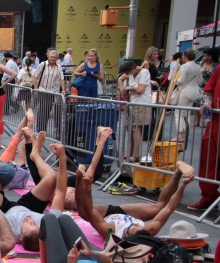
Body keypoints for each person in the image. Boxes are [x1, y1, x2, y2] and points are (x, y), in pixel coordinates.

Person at [75, 161, 195, 238]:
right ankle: (178, 172)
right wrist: (183, 185)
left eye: (131, 229)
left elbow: (89, 209)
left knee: (83, 212)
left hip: (106, 215)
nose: (134, 225)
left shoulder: (110, 230)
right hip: (127, 213)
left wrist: (87, 187)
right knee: (160, 207)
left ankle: (79, 176)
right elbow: (169, 208)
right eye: (138, 226)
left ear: (125, 235)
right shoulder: (149, 229)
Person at [192, 48, 220, 210]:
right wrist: (207, 102)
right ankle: (209, 196)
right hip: (216, 121)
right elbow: (209, 90)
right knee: (209, 157)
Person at [118, 60, 152, 163]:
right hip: (133, 103)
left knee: (136, 128)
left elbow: (141, 90)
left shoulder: (144, 72)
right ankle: (131, 152)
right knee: (130, 128)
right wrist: (122, 90)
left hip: (142, 103)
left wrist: (129, 88)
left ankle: (136, 154)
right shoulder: (131, 74)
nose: (127, 75)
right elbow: (121, 78)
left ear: (133, 69)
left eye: (128, 73)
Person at [175, 48, 203, 145]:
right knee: (187, 113)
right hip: (194, 91)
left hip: (185, 91)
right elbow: (200, 81)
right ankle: (185, 132)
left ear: (185, 56)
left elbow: (181, 81)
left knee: (178, 113)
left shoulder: (184, 67)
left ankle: (180, 135)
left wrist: (175, 80)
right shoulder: (198, 67)